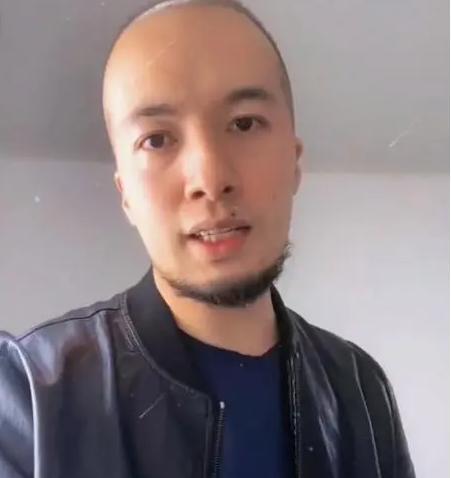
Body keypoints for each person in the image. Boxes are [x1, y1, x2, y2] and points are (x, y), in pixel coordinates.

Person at [0, 1, 416, 477]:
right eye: (157, 139)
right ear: (126, 194)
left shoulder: (362, 389)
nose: (210, 179)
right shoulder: (27, 394)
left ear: (294, 160)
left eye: (244, 123)